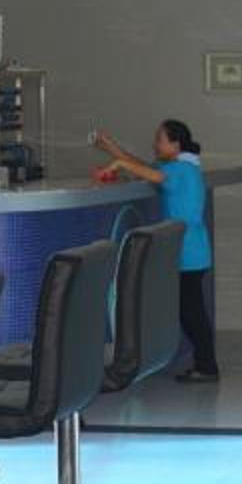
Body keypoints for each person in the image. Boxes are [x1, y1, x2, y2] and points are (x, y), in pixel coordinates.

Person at [92, 120, 219, 382]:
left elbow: (150, 174)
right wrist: (111, 148)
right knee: (191, 312)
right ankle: (205, 364)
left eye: (160, 140)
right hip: (189, 252)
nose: (155, 144)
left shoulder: (181, 170)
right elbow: (145, 168)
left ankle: (207, 367)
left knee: (192, 314)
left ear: (176, 144)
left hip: (189, 253)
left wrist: (119, 164)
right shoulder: (179, 166)